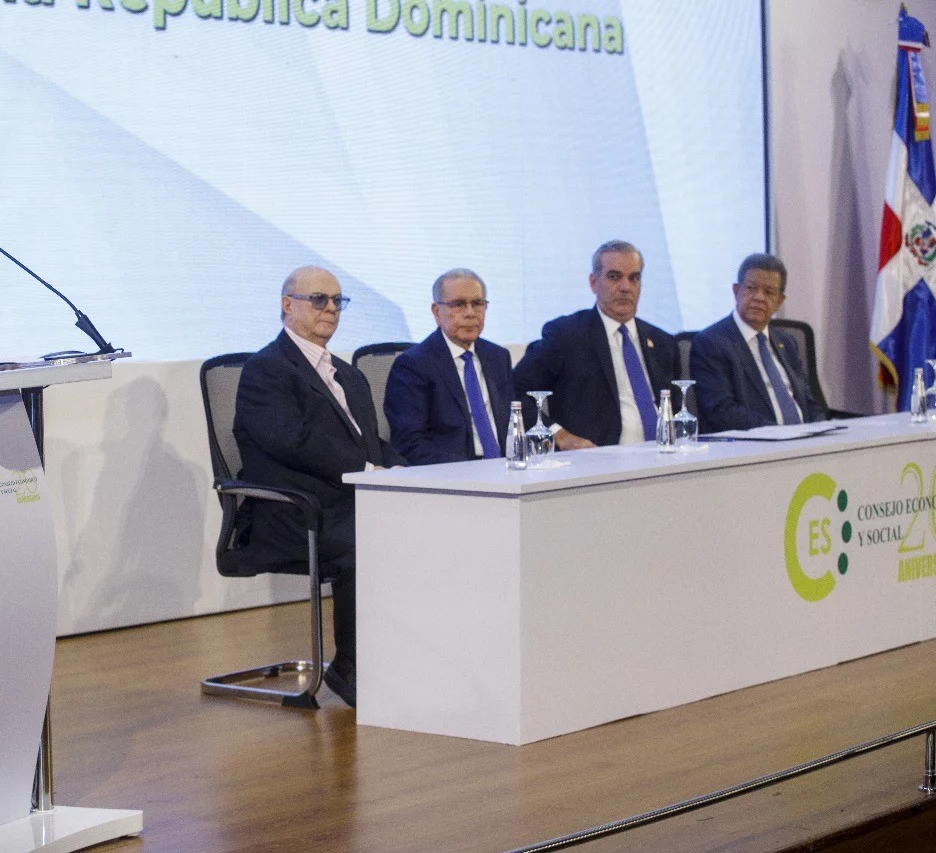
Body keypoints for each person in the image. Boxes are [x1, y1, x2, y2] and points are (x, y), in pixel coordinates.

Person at [233, 266, 403, 708]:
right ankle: (350, 667)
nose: (330, 308)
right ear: (287, 305)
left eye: (337, 300)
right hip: (293, 513)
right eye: (318, 299)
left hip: (347, 502)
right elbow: (291, 441)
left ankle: (407, 658)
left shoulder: (348, 375)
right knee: (365, 540)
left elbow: (370, 443)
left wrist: (411, 472)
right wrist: (365, 469)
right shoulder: (266, 370)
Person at [512, 240, 679, 448]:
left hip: (664, 456)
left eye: (634, 278)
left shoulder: (662, 342)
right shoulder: (567, 335)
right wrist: (559, 435)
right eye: (614, 277)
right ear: (593, 282)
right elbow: (515, 392)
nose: (625, 287)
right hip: (598, 457)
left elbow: (675, 408)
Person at [383, 268, 515, 464]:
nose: (470, 313)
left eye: (477, 303)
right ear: (437, 312)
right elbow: (409, 443)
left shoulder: (497, 357)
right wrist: (466, 470)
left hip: (505, 468)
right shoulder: (413, 365)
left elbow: (512, 423)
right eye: (459, 304)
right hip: (452, 472)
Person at [690, 253, 827, 433]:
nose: (759, 297)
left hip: (805, 443)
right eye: (751, 288)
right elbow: (722, 411)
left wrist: (823, 429)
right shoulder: (712, 343)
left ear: (779, 301)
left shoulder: (786, 342)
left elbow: (809, 402)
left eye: (769, 292)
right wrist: (780, 433)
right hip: (755, 445)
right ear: (736, 291)